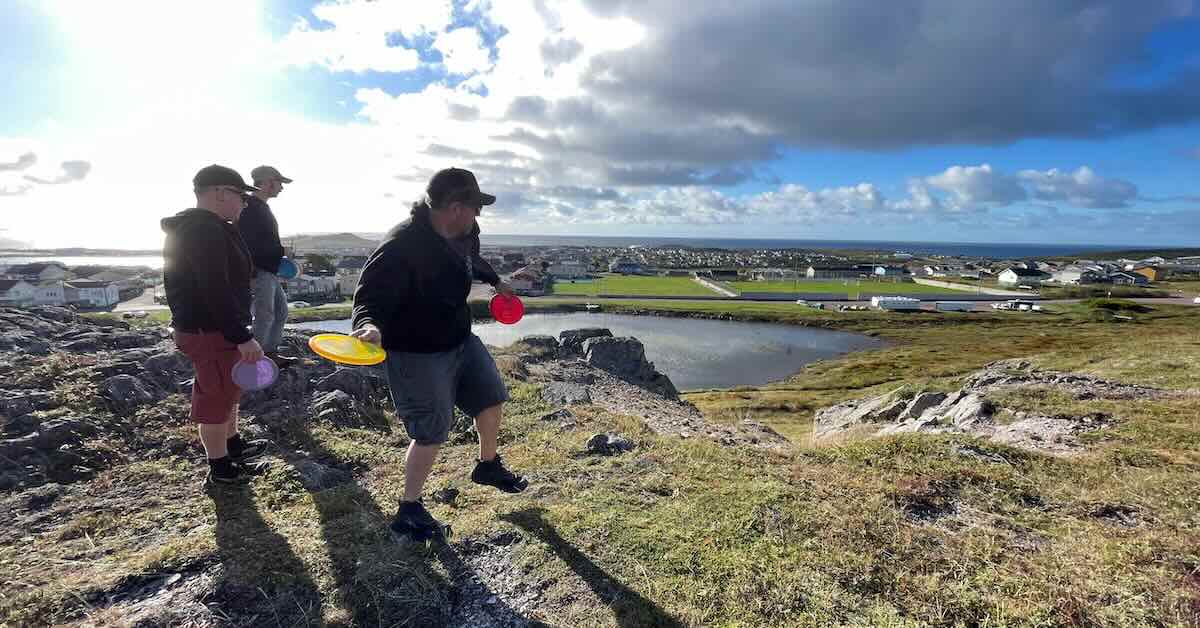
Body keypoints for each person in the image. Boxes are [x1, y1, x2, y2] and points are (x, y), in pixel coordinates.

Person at [351, 167, 527, 540]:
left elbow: (471, 260)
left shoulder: (465, 232)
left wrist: (497, 281)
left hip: (459, 338)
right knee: (431, 430)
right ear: (456, 208)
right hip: (416, 352)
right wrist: (369, 326)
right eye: (475, 208)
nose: (478, 216)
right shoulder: (401, 245)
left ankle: (487, 465)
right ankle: (409, 509)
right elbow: (368, 296)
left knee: (491, 398)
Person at [162, 165, 272, 486]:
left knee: (228, 388)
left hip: (216, 327)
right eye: (241, 195)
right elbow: (214, 288)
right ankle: (220, 467)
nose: (245, 203)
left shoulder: (209, 226)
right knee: (215, 397)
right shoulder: (202, 230)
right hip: (208, 330)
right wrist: (241, 336)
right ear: (220, 192)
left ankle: (233, 445)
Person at [238, 165, 298, 368]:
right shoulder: (249, 207)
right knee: (264, 315)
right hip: (259, 270)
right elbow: (246, 244)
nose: (282, 187)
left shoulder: (259, 206)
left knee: (279, 313)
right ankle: (255, 361)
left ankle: (270, 353)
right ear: (268, 182)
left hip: (268, 270)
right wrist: (281, 252)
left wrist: (279, 253)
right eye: (280, 183)